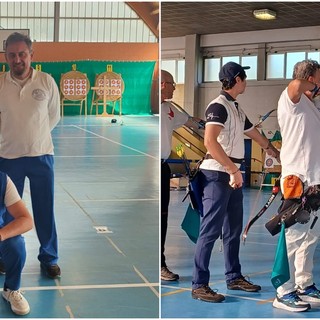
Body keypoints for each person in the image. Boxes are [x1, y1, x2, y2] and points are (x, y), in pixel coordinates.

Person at [191, 62, 280, 302]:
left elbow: (253, 133)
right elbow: (210, 142)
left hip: (230, 175)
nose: (246, 81)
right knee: (209, 231)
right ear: (237, 79)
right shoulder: (218, 106)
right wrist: (232, 170)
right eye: (244, 77)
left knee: (233, 229)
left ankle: (234, 276)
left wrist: (272, 150)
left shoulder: (236, 108)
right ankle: (199, 284)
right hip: (217, 175)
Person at [0, 32, 61, 279]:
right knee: (6, 213)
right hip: (7, 158)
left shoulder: (46, 82)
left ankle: (49, 257)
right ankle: (5, 255)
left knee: (45, 209)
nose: (17, 59)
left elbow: (53, 116)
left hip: (41, 157)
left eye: (22, 54)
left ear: (31, 55)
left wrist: (34, 138)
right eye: (12, 55)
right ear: (5, 57)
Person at [272, 59, 320, 312]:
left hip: (315, 183)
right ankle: (283, 291)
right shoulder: (292, 100)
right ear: (310, 79)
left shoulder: (311, 107)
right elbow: (295, 84)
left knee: (310, 237)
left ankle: (304, 283)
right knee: (293, 238)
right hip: (297, 182)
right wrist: (310, 83)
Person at [161, 69, 203, 281]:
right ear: (162, 84)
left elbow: (191, 121)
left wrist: (213, 126)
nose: (174, 87)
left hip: (162, 168)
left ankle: (159, 263)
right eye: (172, 83)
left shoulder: (169, 109)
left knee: (162, 218)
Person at [0, 171, 33, 315]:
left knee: (15, 244)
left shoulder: (2, 180)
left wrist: (1, 234)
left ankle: (11, 290)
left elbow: (26, 219)